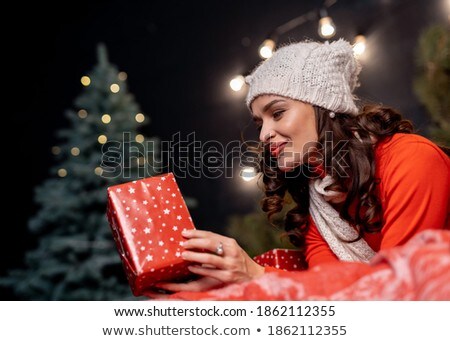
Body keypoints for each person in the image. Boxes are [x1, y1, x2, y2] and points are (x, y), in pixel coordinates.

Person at [153, 39, 449, 295]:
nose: (264, 134)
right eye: (259, 122)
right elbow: (327, 296)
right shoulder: (319, 201)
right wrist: (229, 281)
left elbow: (393, 291)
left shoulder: (412, 159)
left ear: (325, 106)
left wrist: (254, 275)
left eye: (278, 113)